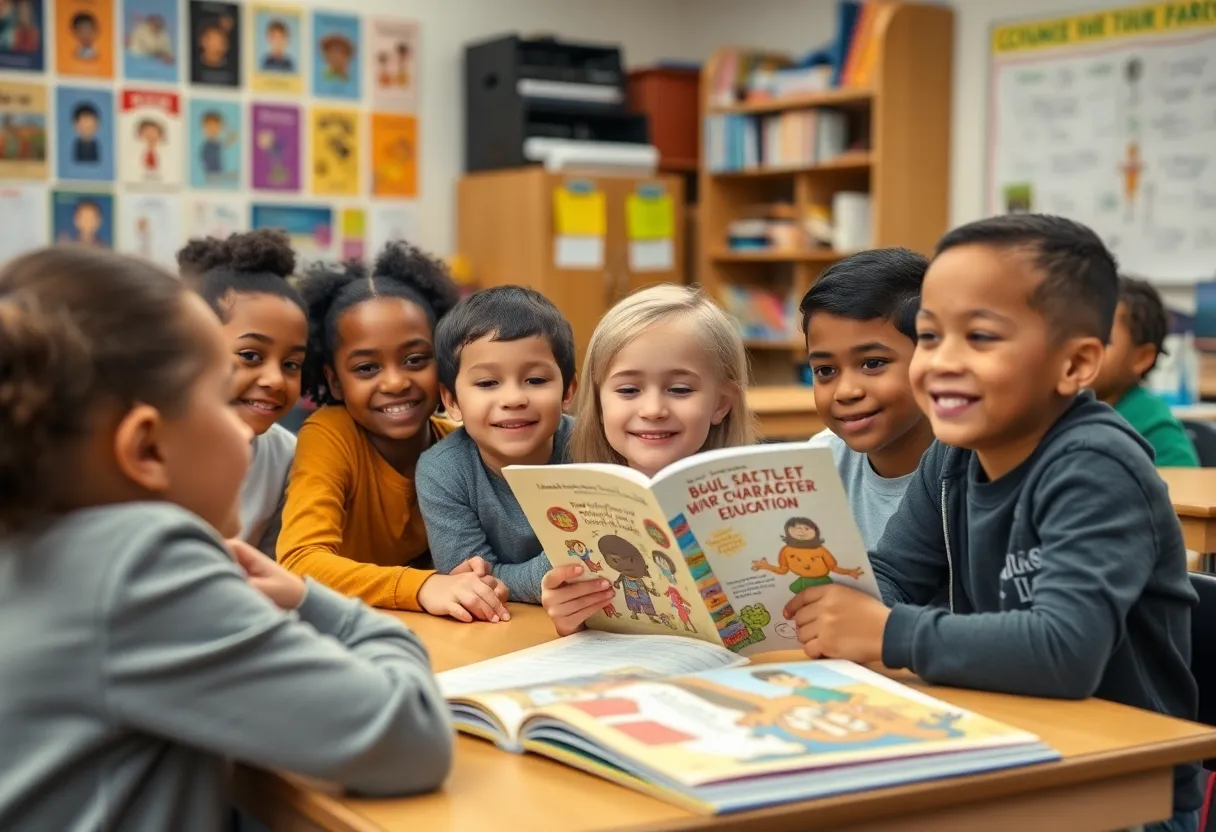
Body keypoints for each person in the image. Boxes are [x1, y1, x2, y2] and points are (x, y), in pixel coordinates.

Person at [0, 246, 453, 832]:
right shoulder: (141, 562)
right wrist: (322, 607)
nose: (250, 432)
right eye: (221, 400)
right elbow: (410, 736)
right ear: (147, 448)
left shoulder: (37, 536)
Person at [783, 214, 1201, 831]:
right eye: (929, 337)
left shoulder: (1096, 466)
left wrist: (887, 629)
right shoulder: (953, 454)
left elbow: (1065, 650)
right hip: (1000, 745)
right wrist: (823, 601)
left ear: (1075, 364)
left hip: (1115, 791)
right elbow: (893, 573)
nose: (942, 362)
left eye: (979, 337)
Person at [277, 243, 509, 622]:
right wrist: (422, 586)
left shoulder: (457, 444)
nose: (397, 382)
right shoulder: (330, 434)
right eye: (367, 368)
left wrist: (485, 583)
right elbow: (300, 562)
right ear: (334, 382)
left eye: (415, 360)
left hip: (426, 633)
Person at [541, 284, 756, 636]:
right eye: (628, 390)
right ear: (598, 400)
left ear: (721, 403)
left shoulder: (749, 500)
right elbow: (587, 619)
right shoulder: (579, 504)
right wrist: (571, 615)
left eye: (680, 389)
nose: (653, 410)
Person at [417, 286, 577, 603]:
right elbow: (470, 582)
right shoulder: (443, 472)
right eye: (487, 383)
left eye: (536, 380)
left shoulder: (592, 448)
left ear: (568, 392)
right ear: (451, 400)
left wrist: (510, 579)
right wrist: (562, 569)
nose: (514, 399)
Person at [179, 230, 307, 556]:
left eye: (292, 364)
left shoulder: (287, 457)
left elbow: (271, 572)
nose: (275, 380)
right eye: (251, 356)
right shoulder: (149, 446)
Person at [803, 248, 934, 548]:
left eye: (872, 363)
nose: (846, 391)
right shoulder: (819, 464)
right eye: (825, 370)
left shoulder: (972, 468)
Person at [1090, 276, 1199, 467]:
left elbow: (1184, 492)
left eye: (1105, 340)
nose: (1083, 349)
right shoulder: (1064, 410)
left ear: (1141, 358)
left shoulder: (1156, 429)